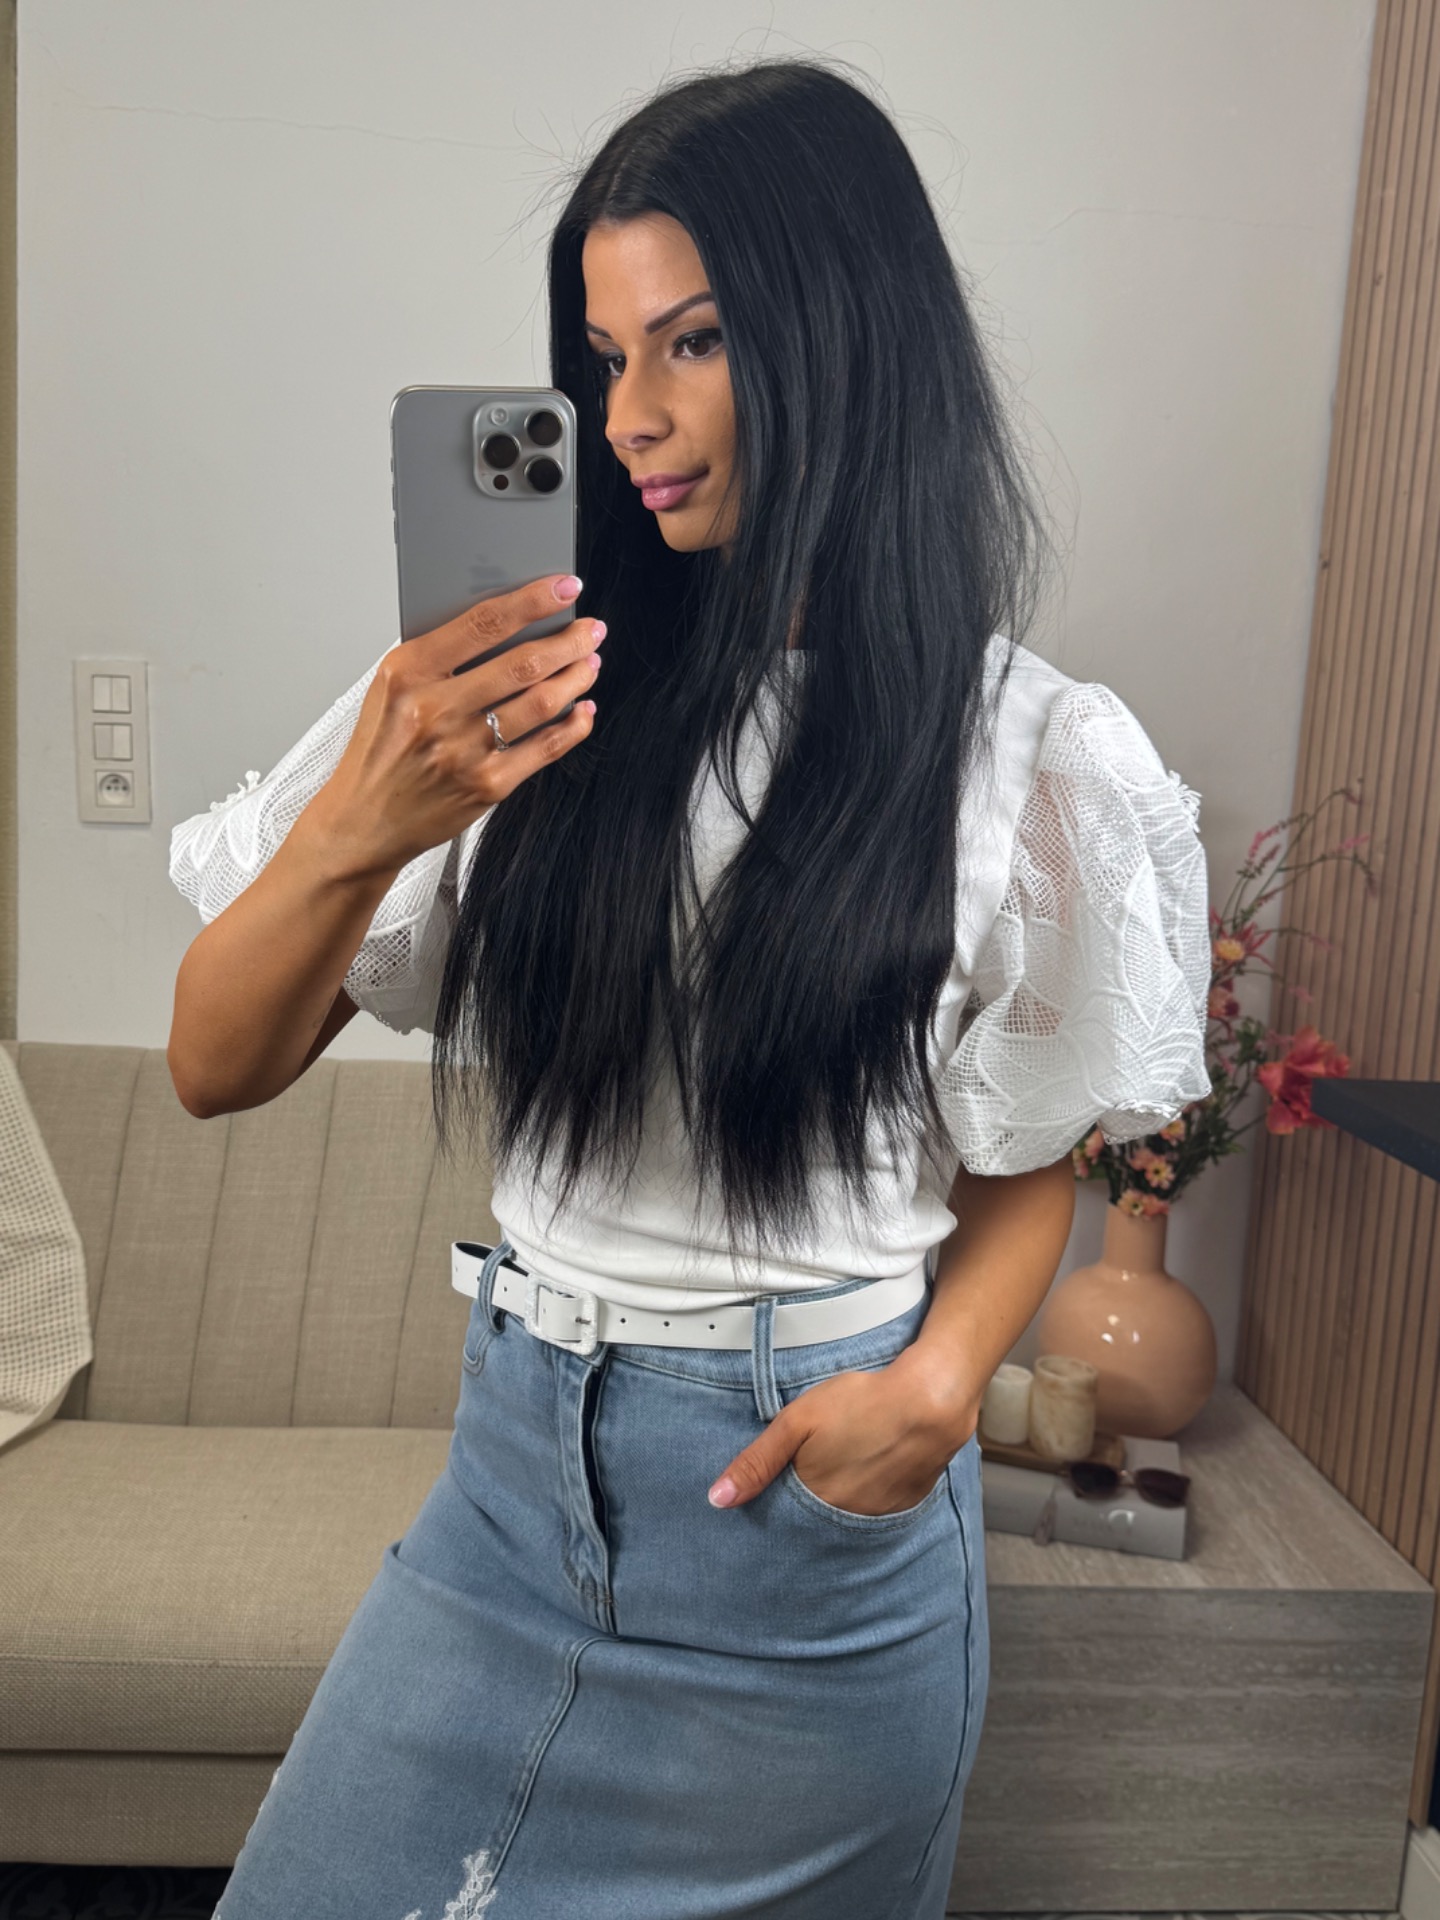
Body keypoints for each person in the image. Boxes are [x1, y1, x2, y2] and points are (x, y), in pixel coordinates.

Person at [167, 55, 1212, 1920]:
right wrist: (364, 820)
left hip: (800, 1542)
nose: (630, 417)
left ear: (843, 339)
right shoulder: (507, 691)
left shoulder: (1028, 756)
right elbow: (212, 1064)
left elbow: (1027, 1149)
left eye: (695, 343)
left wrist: (940, 1385)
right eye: (601, 357)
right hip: (508, 1499)